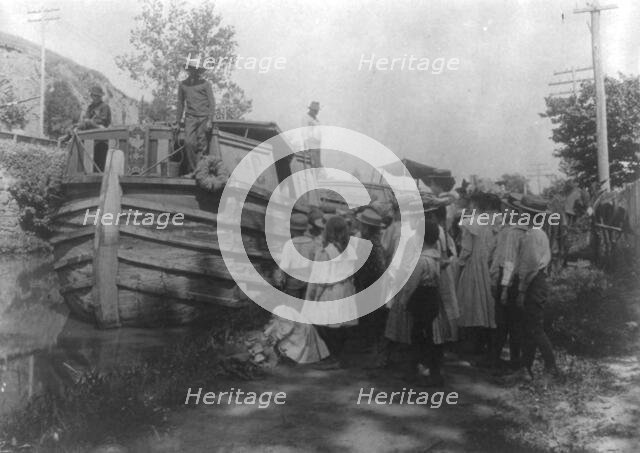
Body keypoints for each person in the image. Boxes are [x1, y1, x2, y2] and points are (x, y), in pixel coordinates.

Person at [266, 213, 329, 365]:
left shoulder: (290, 245)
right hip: (307, 283)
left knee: (291, 315)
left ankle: (291, 349)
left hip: (293, 282)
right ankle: (306, 349)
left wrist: (280, 278)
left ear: (292, 229)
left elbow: (284, 267)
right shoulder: (313, 244)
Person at [511, 195, 561, 381]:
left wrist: (522, 290)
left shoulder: (533, 235)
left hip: (534, 283)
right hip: (536, 281)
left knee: (534, 327)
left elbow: (530, 266)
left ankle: (551, 366)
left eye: (522, 212)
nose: (520, 214)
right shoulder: (537, 233)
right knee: (529, 327)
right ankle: (526, 368)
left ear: (528, 214)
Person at [302, 216, 359, 367]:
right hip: (345, 289)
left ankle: (334, 356)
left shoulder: (325, 251)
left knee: (323, 324)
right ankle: (338, 356)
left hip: (330, 290)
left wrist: (313, 296)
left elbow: (320, 277)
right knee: (339, 326)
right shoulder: (350, 250)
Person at [456, 192, 497, 357]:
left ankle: (468, 345)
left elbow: (466, 249)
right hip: (485, 264)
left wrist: (459, 264)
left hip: (472, 264)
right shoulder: (491, 222)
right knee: (483, 302)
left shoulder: (471, 223)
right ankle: (481, 343)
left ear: (474, 205)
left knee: (469, 301)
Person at [404, 219, 444, 386]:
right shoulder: (436, 258)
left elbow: (412, 284)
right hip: (432, 296)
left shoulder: (420, 260)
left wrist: (404, 300)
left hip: (420, 297)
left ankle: (416, 370)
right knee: (428, 334)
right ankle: (432, 370)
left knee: (417, 335)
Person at [489, 194, 526, 370]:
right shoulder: (527, 230)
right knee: (516, 323)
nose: (503, 211)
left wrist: (500, 283)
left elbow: (504, 260)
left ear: (512, 211)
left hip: (507, 277)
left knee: (502, 322)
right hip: (521, 279)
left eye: (506, 208)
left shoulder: (510, 232)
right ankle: (514, 360)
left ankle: (496, 360)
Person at [176, 55, 215, 176]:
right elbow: (180, 104)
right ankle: (192, 170)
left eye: (196, 70)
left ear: (199, 71)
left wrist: (210, 120)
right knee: (188, 143)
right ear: (188, 70)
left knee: (202, 144)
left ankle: (198, 172)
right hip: (190, 118)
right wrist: (177, 122)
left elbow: (212, 103)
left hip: (203, 118)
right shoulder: (183, 85)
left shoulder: (205, 84)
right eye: (191, 69)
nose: (194, 72)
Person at [353, 207, 387, 349]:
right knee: (374, 316)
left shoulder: (366, 244)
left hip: (367, 284)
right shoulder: (378, 242)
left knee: (368, 318)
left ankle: (368, 345)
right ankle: (372, 343)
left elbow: (359, 267)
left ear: (366, 226)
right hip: (377, 284)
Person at [301, 101, 322, 168]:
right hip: (310, 144)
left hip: (317, 145)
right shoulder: (306, 118)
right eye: (315, 111)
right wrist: (306, 147)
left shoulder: (316, 120)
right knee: (312, 164)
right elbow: (304, 133)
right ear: (311, 110)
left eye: (317, 111)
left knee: (318, 165)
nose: (317, 112)